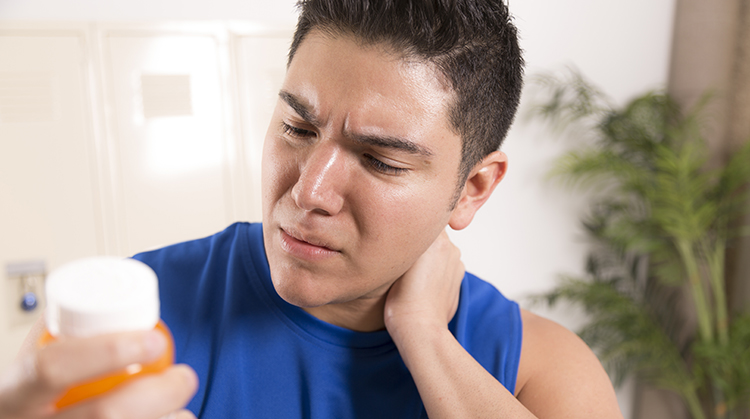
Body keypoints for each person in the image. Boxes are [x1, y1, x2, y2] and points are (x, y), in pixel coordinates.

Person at [0, 0, 624, 417]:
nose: (309, 191)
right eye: (298, 127)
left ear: (473, 188)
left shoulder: (539, 370)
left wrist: (426, 337)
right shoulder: (126, 329)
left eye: (381, 160)